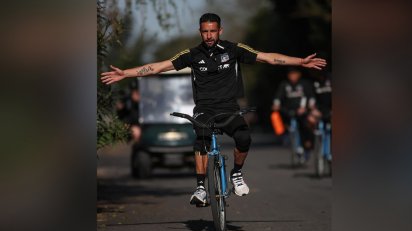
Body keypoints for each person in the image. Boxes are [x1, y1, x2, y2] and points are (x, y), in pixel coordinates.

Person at [101, 13, 326, 206]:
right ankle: (201, 188)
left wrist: (300, 62)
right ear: (200, 32)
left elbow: (268, 58)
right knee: (201, 138)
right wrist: (126, 73)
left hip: (229, 107)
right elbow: (158, 66)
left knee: (244, 138)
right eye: (204, 31)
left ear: (220, 30)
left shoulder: (234, 49)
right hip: (204, 108)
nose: (209, 35)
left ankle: (236, 173)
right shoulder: (191, 55)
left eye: (213, 31)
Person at [272, 68, 315, 161]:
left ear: (299, 74)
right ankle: (286, 137)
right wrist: (276, 104)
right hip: (288, 111)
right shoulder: (284, 84)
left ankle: (307, 146)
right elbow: (278, 97)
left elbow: (311, 97)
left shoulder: (304, 84)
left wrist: (309, 106)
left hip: (303, 112)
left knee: (306, 127)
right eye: (290, 74)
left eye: (294, 74)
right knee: (280, 119)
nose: (292, 76)